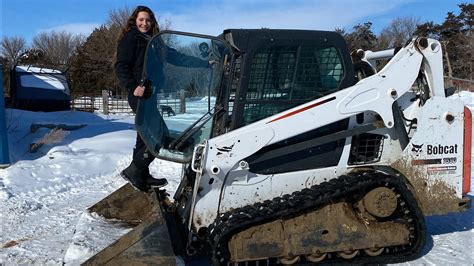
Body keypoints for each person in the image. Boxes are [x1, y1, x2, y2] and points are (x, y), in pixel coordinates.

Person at [114, 5, 168, 191]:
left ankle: (142, 175)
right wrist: (132, 87)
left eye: (148, 20)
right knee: (160, 133)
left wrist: (204, 63)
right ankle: (134, 171)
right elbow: (121, 66)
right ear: (134, 21)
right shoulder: (132, 38)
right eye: (141, 20)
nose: (144, 23)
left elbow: (176, 56)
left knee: (143, 136)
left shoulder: (154, 41)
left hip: (150, 95)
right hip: (138, 94)